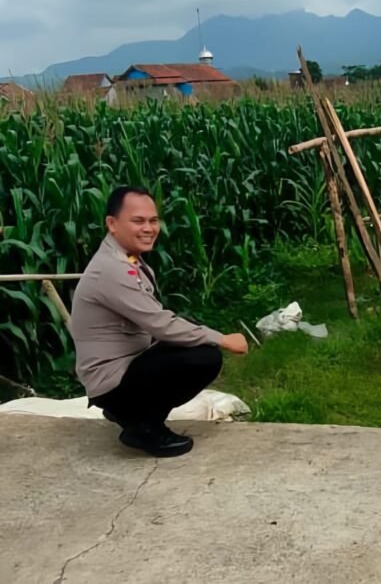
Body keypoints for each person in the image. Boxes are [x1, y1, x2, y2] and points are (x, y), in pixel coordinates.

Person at [70, 186, 249, 457]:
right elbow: (161, 324)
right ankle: (143, 427)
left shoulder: (125, 258)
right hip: (112, 380)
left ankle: (130, 413)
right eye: (138, 221)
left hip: (126, 367)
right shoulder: (111, 269)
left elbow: (157, 319)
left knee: (190, 336)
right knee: (204, 357)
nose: (149, 228)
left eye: (153, 220)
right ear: (112, 224)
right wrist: (223, 338)